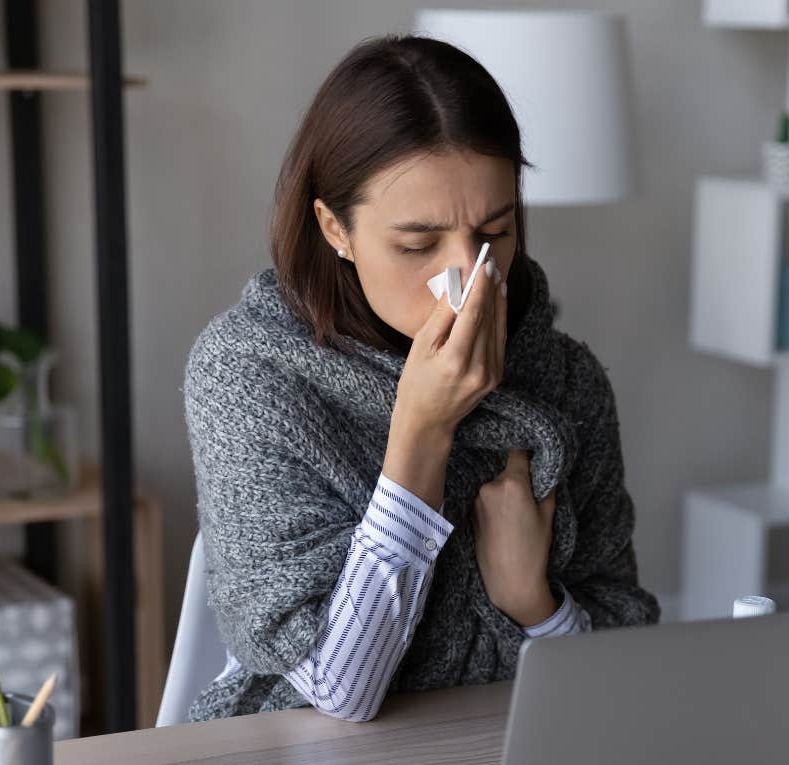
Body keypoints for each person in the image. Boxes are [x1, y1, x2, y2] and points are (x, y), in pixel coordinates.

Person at [182, 34, 660, 724]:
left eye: (494, 231)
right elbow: (340, 692)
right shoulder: (251, 377)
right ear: (334, 229)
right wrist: (422, 432)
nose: (467, 277)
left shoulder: (566, 380)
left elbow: (624, 668)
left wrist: (533, 602)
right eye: (417, 244)